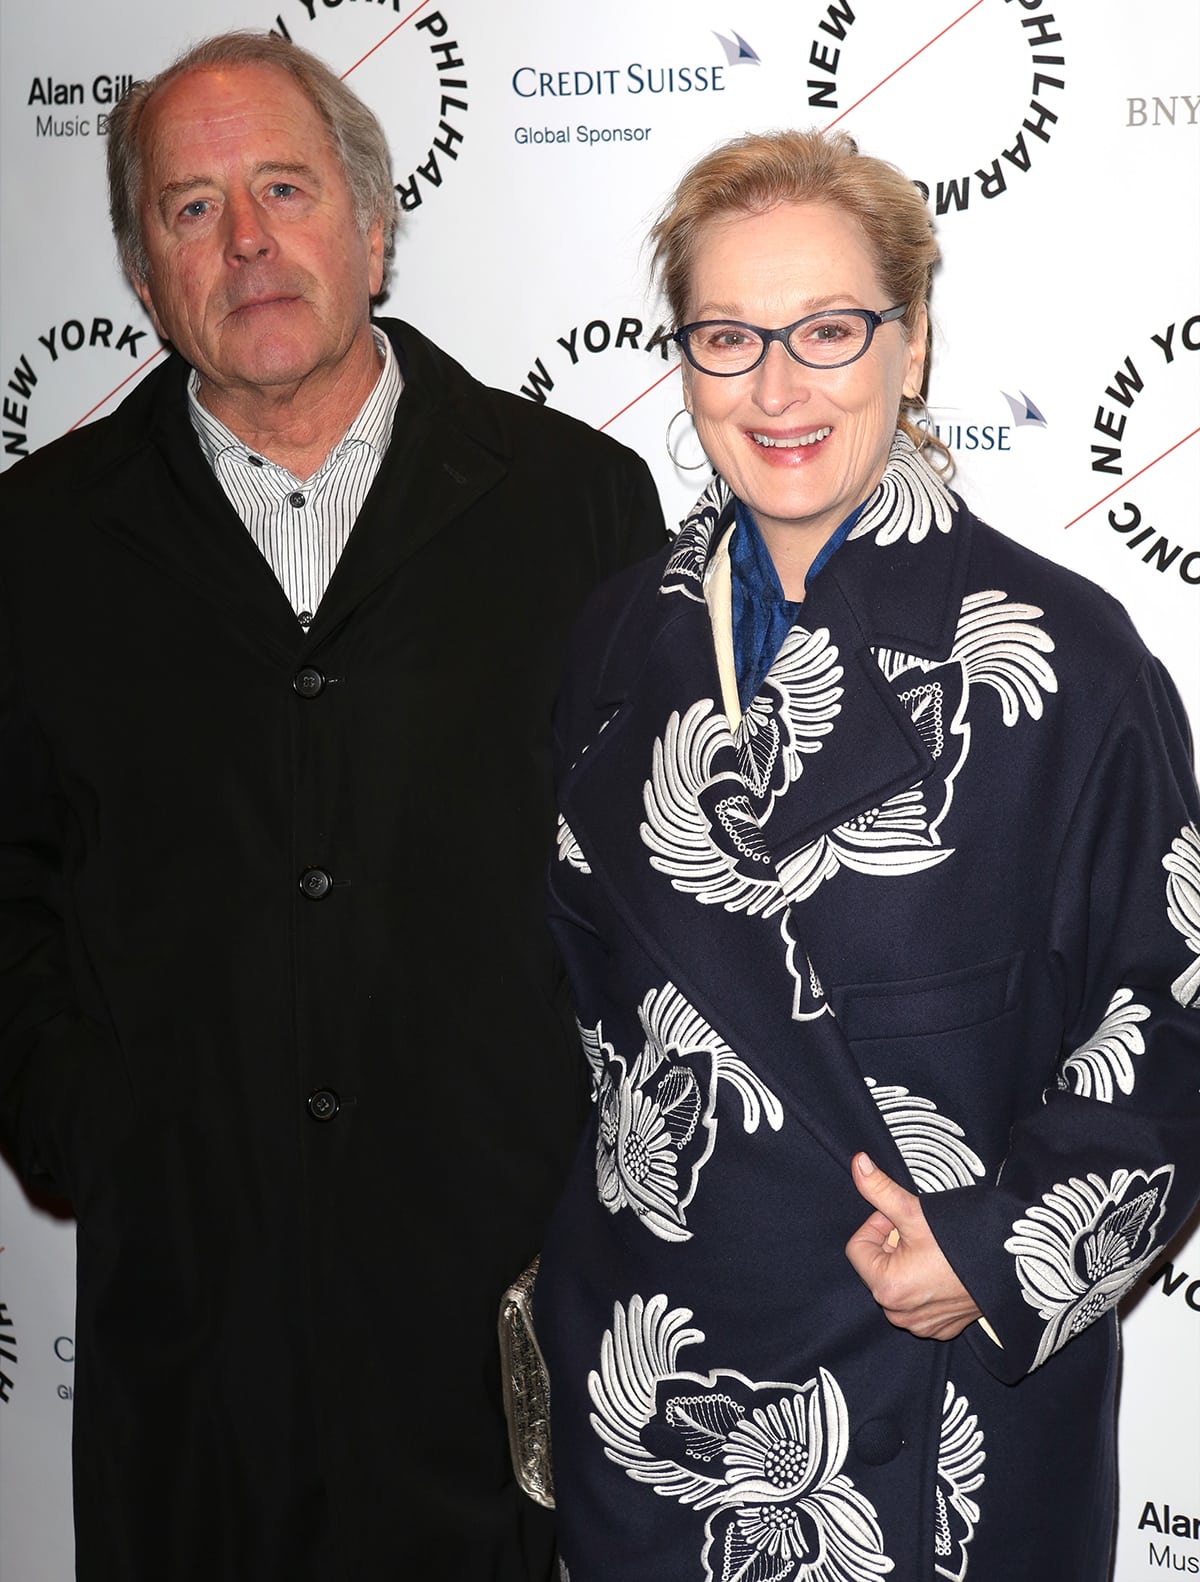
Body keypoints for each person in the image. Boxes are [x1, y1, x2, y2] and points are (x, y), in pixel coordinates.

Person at [0, 30, 664, 1582]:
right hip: (188, 1337)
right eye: (189, 208)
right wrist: (85, 1124)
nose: (246, 241)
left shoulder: (574, 503)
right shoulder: (36, 542)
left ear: (373, 225)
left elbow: (645, 882)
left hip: (493, 1315)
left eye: (285, 188)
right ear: (144, 276)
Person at [534, 128, 1200, 1581]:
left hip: (927, 1415)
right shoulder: (613, 637)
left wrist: (1003, 1245)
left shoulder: (1061, 659)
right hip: (663, 1408)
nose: (776, 387)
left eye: (828, 330)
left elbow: (1177, 1013)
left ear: (911, 346)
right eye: (726, 336)